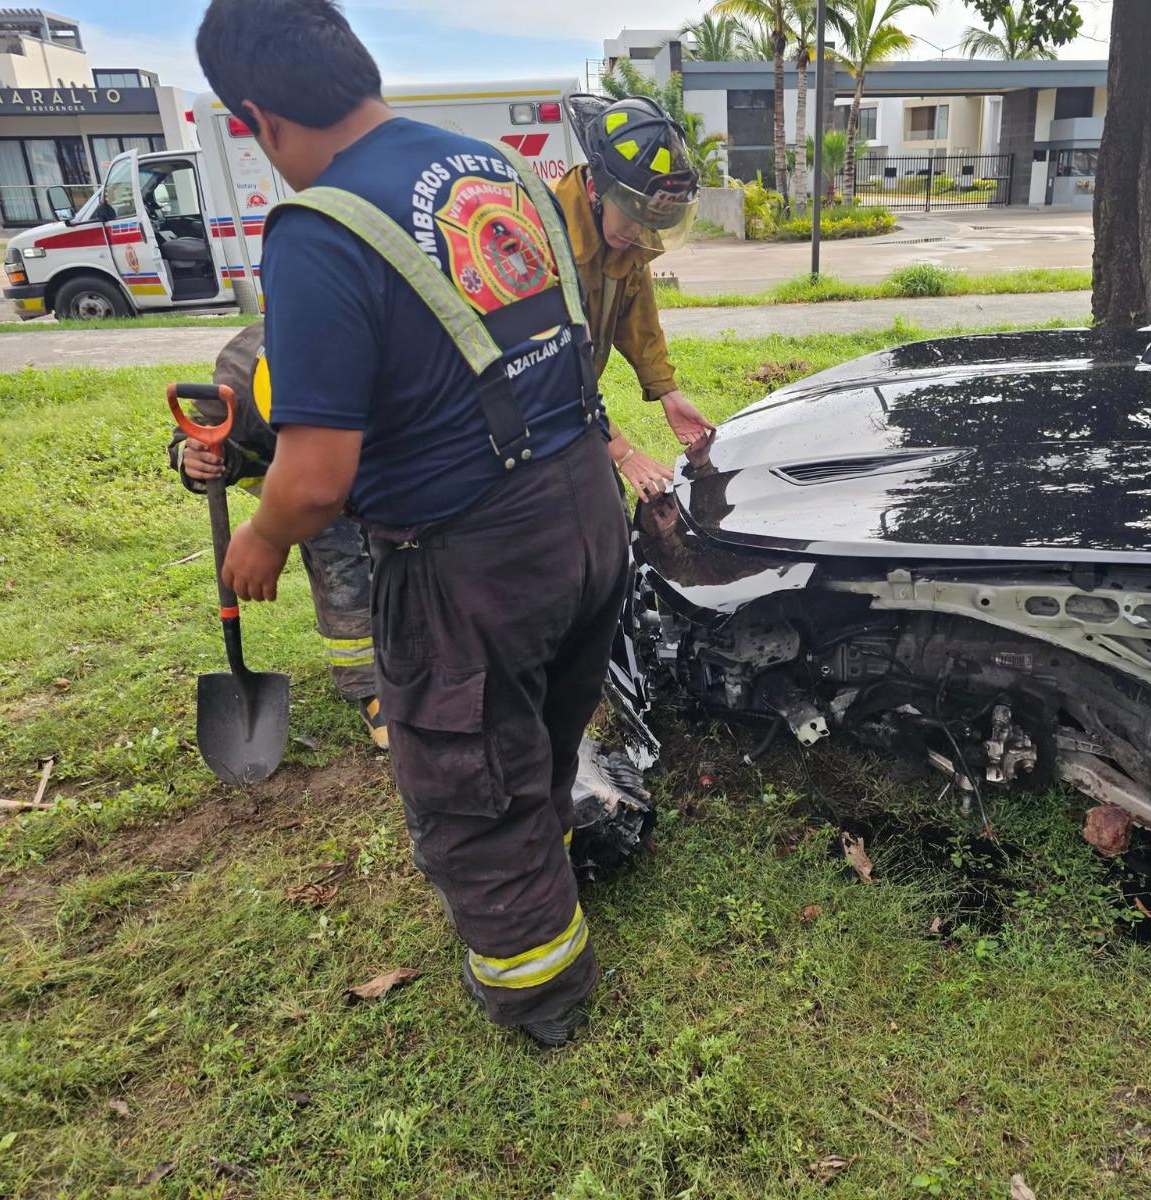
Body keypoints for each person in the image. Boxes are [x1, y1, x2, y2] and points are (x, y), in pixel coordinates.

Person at [196, 0, 627, 1046]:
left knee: (472, 785)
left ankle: (540, 996)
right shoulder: (503, 170)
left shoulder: (320, 229)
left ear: (257, 117)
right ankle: (554, 869)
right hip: (584, 507)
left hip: (473, 559)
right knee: (540, 727)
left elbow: (315, 480)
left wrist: (261, 538)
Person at [168, 322, 388, 750]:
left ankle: (420, 654)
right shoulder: (238, 378)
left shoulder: (365, 350)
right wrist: (194, 459)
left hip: (372, 464)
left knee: (402, 549)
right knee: (343, 563)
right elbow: (193, 434)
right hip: (296, 486)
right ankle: (369, 686)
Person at [557, 94, 716, 500]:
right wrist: (623, 452)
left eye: (648, 221)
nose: (636, 232)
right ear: (594, 188)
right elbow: (552, 372)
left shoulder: (626, 239)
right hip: (529, 420)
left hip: (578, 409)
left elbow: (639, 325)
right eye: (631, 215)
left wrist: (668, 392)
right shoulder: (549, 244)